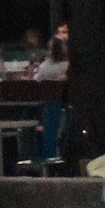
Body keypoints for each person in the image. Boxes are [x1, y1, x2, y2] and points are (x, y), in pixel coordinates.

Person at [33, 34, 70, 168]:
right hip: (64, 104)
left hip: (46, 106)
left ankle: (46, 157)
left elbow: (36, 80)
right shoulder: (67, 66)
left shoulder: (44, 66)